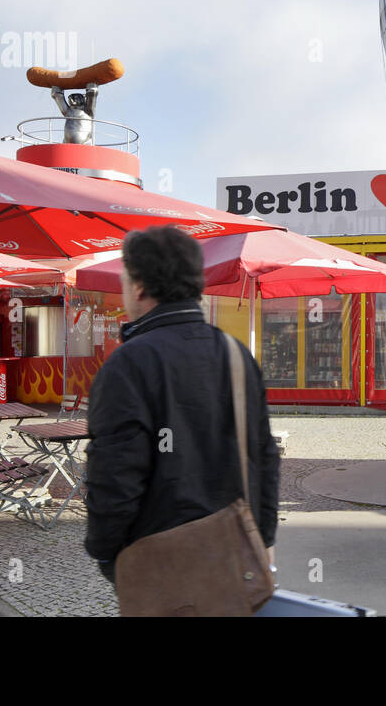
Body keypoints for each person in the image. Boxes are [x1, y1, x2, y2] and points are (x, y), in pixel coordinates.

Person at [84, 225, 279, 587]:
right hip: (234, 555)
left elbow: (114, 473)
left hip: (158, 561)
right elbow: (265, 457)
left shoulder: (127, 365)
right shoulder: (237, 355)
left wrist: (107, 552)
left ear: (139, 286)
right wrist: (263, 539)